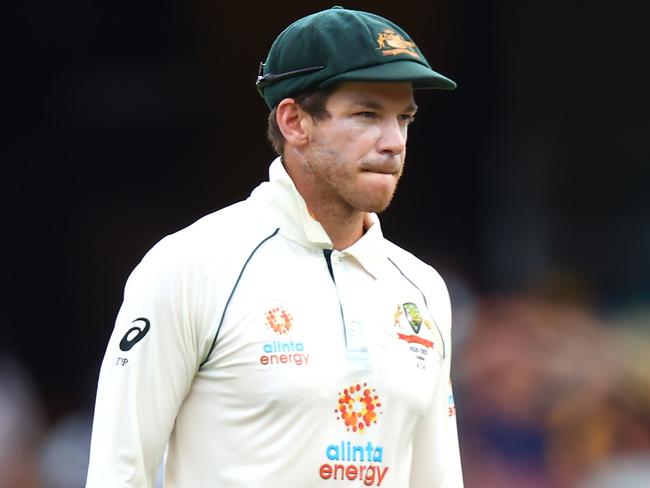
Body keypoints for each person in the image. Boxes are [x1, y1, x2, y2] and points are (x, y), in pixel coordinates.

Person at [85, 6, 463, 487]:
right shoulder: (191, 265)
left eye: (404, 118)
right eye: (367, 114)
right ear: (294, 122)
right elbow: (118, 474)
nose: (393, 142)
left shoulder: (423, 288)